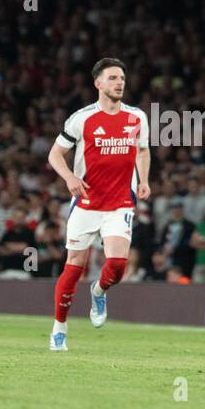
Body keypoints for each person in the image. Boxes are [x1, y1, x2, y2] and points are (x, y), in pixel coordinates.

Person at [45, 57, 151, 350]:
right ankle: (60, 327)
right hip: (87, 204)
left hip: (119, 204)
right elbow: (55, 154)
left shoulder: (137, 117)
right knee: (74, 266)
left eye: (122, 78)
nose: (120, 83)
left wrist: (143, 180)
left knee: (117, 266)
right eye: (113, 78)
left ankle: (99, 290)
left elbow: (142, 151)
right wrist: (68, 177)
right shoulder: (82, 118)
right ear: (98, 83)